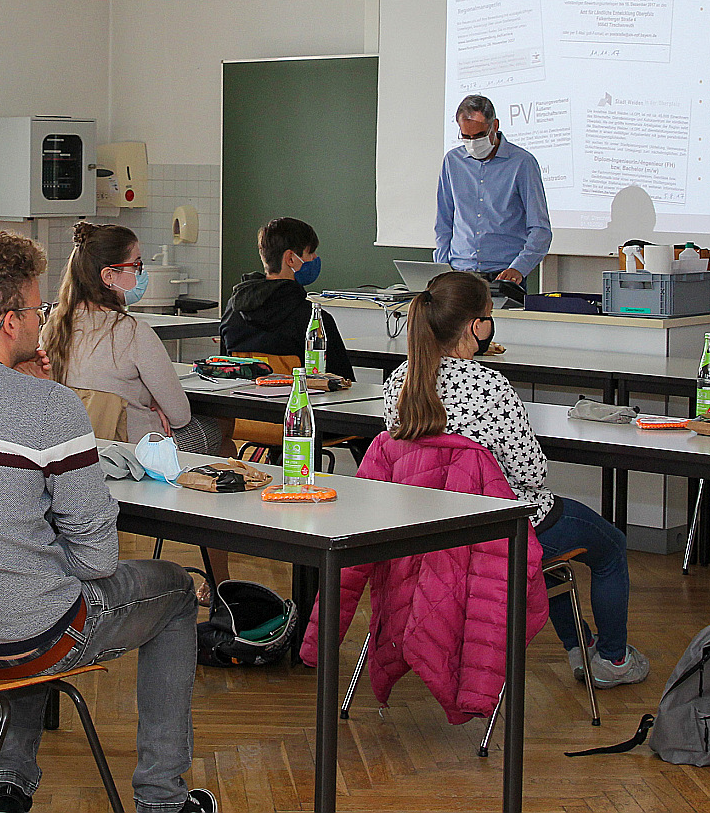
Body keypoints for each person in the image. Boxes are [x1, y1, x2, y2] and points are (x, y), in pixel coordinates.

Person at [0, 232, 214, 813]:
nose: (42, 318)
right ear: (10, 322)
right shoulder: (49, 406)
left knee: (20, 579)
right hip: (25, 639)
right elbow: (99, 558)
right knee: (177, 592)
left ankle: (9, 782)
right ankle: (163, 797)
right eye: (36, 309)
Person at [384, 271, 648, 687]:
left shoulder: (399, 382)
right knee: (609, 545)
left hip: (432, 532)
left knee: (548, 556)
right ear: (476, 326)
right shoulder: (490, 384)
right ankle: (612, 660)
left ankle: (580, 647)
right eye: (489, 314)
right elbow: (530, 474)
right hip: (500, 527)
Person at [44, 221, 230, 455]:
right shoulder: (133, 332)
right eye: (136, 265)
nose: (141, 273)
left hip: (76, 452)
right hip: (135, 451)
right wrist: (152, 402)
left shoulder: (53, 327)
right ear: (108, 275)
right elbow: (180, 416)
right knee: (222, 429)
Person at [434, 96, 551, 288]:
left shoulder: (522, 163)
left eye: (479, 135)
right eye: (466, 137)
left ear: (494, 126)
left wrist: (519, 268)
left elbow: (540, 229)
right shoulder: (452, 161)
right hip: (459, 273)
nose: (473, 143)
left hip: (504, 275)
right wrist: (441, 267)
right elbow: (444, 222)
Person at [219, 216, 355, 379]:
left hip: (246, 402)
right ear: (291, 258)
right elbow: (344, 382)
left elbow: (224, 372)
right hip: (300, 403)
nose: (314, 258)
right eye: (310, 252)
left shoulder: (233, 312)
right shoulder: (315, 323)